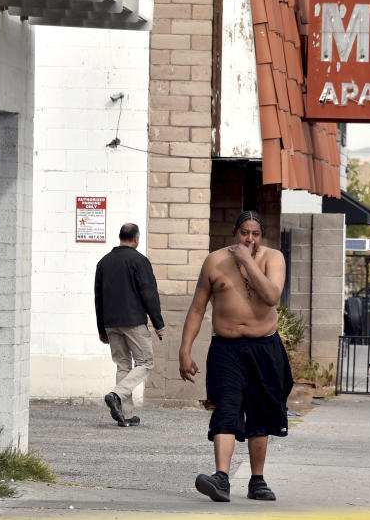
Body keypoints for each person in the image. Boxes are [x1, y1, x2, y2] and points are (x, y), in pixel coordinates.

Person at [179, 211, 293, 503]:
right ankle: (221, 478)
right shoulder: (214, 261)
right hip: (225, 349)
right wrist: (185, 350)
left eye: (255, 234)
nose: (250, 239)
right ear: (235, 233)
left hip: (264, 348)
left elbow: (271, 296)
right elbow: (196, 308)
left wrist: (246, 260)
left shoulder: (273, 259)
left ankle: (257, 480)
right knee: (226, 409)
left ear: (261, 235)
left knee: (261, 415)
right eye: (244, 233)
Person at [95, 223, 165, 427]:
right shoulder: (139, 260)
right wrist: (158, 323)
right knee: (145, 362)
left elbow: (98, 297)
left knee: (123, 365)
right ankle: (116, 394)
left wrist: (102, 328)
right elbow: (149, 293)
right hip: (133, 321)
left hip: (111, 322)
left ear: (120, 237)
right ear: (136, 238)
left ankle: (125, 415)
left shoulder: (104, 262)